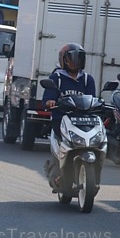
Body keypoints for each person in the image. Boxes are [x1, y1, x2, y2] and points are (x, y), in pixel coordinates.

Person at [43, 43, 96, 189]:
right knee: (62, 147)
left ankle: (93, 174)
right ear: (64, 60)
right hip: (62, 120)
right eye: (71, 58)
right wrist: (50, 102)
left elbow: (92, 99)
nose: (74, 62)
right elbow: (48, 97)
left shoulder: (87, 79)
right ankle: (57, 173)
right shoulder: (57, 77)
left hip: (82, 120)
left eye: (78, 59)